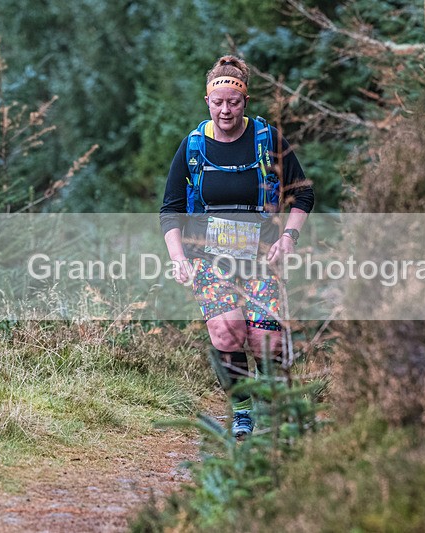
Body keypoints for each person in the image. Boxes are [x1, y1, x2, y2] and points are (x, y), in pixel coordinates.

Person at [159, 55, 314, 438]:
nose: (225, 109)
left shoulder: (268, 140)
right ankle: (242, 410)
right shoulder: (193, 147)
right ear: (207, 102)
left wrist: (289, 237)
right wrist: (178, 259)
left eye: (234, 102)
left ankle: (268, 401)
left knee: (267, 341)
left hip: (262, 258)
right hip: (209, 260)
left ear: (245, 102)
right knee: (228, 334)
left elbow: (303, 195)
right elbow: (170, 211)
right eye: (218, 102)